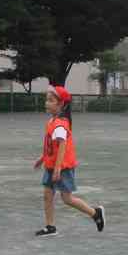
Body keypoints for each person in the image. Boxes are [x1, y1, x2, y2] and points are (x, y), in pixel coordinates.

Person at [32, 86, 105, 238]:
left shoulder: (60, 124)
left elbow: (62, 145)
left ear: (61, 105)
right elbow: (51, 145)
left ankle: (95, 213)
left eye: (51, 100)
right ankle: (50, 226)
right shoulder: (52, 121)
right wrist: (42, 158)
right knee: (47, 194)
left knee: (67, 198)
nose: (47, 103)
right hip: (51, 165)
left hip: (62, 167)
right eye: (47, 100)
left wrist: (58, 167)